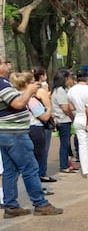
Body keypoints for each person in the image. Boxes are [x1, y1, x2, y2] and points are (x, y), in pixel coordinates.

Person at [0, 55, 63, 218]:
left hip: (6, 133)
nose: (8, 65)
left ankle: (11, 205)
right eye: (5, 63)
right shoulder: (2, 84)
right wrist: (30, 90)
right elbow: (18, 104)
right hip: (15, 134)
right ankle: (40, 203)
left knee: (10, 171)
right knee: (30, 168)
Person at [50, 68, 77, 174]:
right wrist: (72, 116)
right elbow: (65, 108)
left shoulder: (61, 90)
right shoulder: (60, 91)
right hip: (63, 120)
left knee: (66, 143)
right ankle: (64, 165)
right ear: (65, 78)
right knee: (65, 144)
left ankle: (67, 163)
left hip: (64, 120)